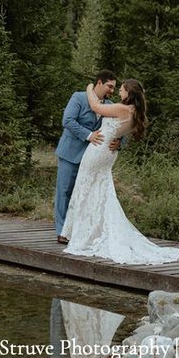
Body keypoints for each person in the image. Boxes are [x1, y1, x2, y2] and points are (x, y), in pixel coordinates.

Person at [61, 79, 179, 265]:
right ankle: (88, 230)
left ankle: (82, 234)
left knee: (85, 188)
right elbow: (118, 132)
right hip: (108, 153)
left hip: (98, 150)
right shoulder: (135, 113)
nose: (119, 91)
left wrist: (89, 88)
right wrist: (118, 142)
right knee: (101, 191)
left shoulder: (122, 109)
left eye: (122, 89)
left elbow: (95, 106)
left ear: (129, 92)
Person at [55, 71, 118, 243]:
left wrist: (120, 141)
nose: (112, 90)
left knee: (86, 194)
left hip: (93, 160)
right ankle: (62, 231)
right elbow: (67, 120)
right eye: (109, 86)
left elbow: (120, 125)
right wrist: (89, 135)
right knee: (65, 192)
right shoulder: (78, 98)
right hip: (70, 154)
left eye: (114, 87)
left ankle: (78, 230)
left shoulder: (110, 105)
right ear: (99, 83)